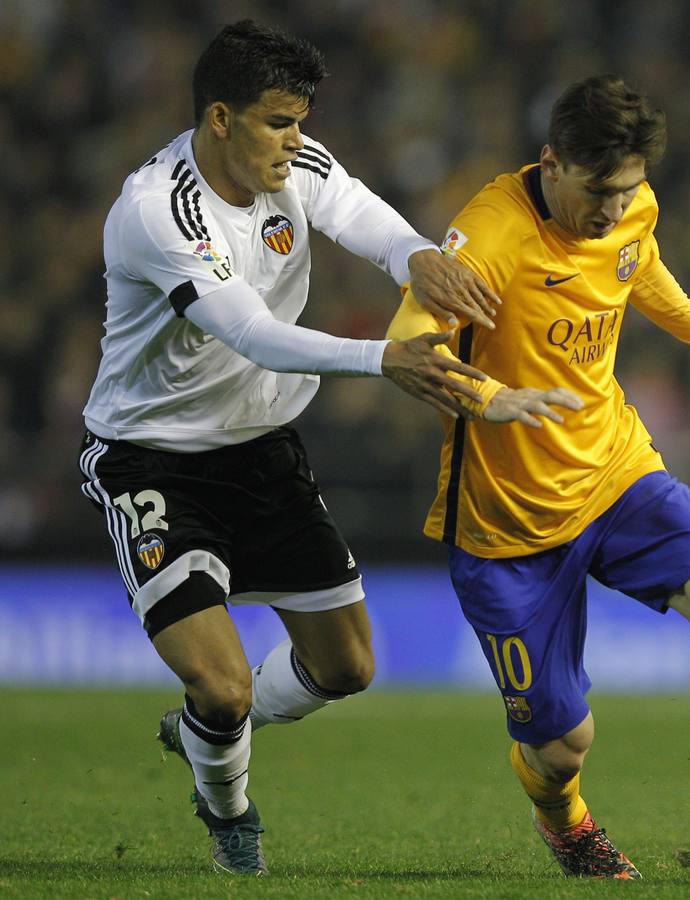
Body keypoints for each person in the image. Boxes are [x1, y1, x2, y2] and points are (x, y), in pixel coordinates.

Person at [77, 20, 565, 876]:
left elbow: (362, 215)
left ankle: (202, 734)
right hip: (152, 458)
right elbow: (256, 336)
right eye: (278, 122)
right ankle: (229, 812)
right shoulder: (159, 212)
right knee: (222, 683)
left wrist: (416, 256)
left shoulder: (291, 162)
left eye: (302, 120)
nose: (296, 141)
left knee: (348, 666)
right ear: (220, 118)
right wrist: (385, 359)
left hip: (261, 449)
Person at [385, 74, 690, 879]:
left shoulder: (631, 208)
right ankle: (566, 821)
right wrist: (492, 396)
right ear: (551, 163)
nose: (616, 209)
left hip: (614, 473)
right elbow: (409, 348)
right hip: (506, 521)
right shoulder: (490, 235)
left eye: (630, 189)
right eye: (599, 191)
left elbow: (641, 274)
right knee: (561, 747)